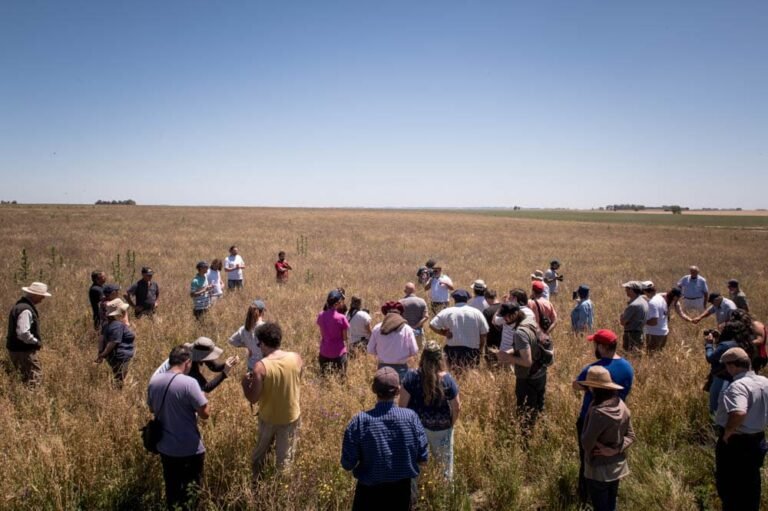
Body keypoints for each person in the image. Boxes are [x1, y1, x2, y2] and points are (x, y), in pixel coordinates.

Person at [341, 367, 428, 510]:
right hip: (403, 492)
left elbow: (347, 464)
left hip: (368, 494)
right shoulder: (411, 417)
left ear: (373, 390)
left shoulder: (359, 422)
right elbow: (423, 457)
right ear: (398, 390)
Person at [573, 329, 634, 504]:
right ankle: (609, 494)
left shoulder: (595, 369)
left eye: (596, 344)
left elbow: (575, 385)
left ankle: (586, 497)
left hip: (591, 420)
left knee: (588, 458)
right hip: (617, 420)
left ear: (602, 346)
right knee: (611, 455)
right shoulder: (628, 367)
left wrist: (588, 386)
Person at [147, 345, 210, 511]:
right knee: (192, 491)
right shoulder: (190, 383)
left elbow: (152, 409)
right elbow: (205, 414)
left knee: (172, 489)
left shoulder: (154, 381)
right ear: (188, 362)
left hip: (166, 447)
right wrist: (203, 397)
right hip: (190, 448)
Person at [242, 322, 303, 480]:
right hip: (291, 417)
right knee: (285, 462)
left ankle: (257, 484)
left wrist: (245, 384)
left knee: (259, 457)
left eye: (258, 344)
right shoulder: (296, 358)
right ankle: (282, 491)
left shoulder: (261, 367)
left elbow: (253, 398)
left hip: (268, 418)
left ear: (262, 343)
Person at [714, 347, 768, 511]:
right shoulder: (764, 382)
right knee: (751, 486)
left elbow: (738, 412)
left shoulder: (738, 386)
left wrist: (728, 433)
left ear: (732, 366)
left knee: (731, 490)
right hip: (757, 439)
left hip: (737, 442)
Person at [578, 366, 636, 511]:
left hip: (598, 470)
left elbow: (586, 443)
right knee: (611, 504)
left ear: (594, 388)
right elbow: (631, 436)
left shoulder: (598, 412)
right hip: (617, 467)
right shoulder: (621, 405)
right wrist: (615, 450)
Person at [400, 341, 460, 480]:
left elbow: (402, 406)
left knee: (415, 464)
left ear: (423, 357)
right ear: (441, 359)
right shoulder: (447, 380)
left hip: (416, 427)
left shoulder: (411, 377)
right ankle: (445, 495)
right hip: (442, 427)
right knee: (445, 466)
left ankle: (415, 494)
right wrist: (451, 423)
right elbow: (457, 406)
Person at [497, 303, 548, 427]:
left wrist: (507, 357)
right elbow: (530, 344)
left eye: (506, 317)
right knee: (539, 406)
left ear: (514, 314)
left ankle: (525, 438)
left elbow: (527, 361)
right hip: (541, 371)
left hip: (528, 377)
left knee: (525, 411)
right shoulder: (529, 320)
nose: (505, 320)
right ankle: (542, 430)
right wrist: (511, 351)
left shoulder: (519, 333)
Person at [154, 337, 239, 394]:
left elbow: (214, 367)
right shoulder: (187, 364)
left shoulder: (194, 351)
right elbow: (205, 388)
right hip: (161, 389)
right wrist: (224, 373)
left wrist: (228, 364)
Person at [429, 289, 489, 369]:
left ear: (454, 299)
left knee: (453, 374)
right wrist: (480, 349)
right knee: (470, 374)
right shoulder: (476, 313)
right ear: (467, 299)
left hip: (452, 350)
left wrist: (443, 333)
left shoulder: (447, 311)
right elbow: (484, 333)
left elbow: (432, 324)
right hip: (472, 350)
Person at [6, 282, 51, 386]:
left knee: (23, 378)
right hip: (24, 351)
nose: (43, 299)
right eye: (42, 296)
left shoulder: (19, 306)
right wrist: (35, 342)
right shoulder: (26, 310)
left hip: (15, 349)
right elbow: (23, 333)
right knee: (34, 378)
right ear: (35, 295)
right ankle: (31, 400)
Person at [367, 301, 419, 381]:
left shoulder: (377, 328)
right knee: (402, 392)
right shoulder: (407, 329)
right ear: (400, 314)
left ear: (386, 314)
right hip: (401, 368)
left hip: (383, 368)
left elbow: (370, 350)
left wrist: (382, 352)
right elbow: (414, 351)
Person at [95, 298, 135, 387]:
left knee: (118, 377)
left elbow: (101, 338)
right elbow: (113, 342)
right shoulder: (117, 325)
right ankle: (117, 395)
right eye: (123, 311)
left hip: (116, 356)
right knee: (119, 379)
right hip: (120, 357)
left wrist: (100, 352)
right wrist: (103, 354)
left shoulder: (108, 324)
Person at [316, 289, 350, 376]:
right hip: (338, 353)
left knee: (324, 377)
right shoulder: (342, 318)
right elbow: (345, 338)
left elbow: (323, 334)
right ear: (337, 303)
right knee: (341, 379)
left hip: (324, 351)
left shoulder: (321, 315)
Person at [229, 300, 267, 371]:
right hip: (264, 365)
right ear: (262, 312)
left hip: (251, 365)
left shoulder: (244, 328)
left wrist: (247, 345)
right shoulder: (265, 327)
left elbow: (231, 340)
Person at [619, 281, 648, 354]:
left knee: (630, 356)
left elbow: (623, 322)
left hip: (631, 335)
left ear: (632, 290)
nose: (625, 290)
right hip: (640, 333)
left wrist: (622, 316)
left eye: (627, 289)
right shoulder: (644, 301)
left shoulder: (634, 305)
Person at [642, 281, 669, 352]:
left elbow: (654, 322)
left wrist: (641, 322)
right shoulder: (661, 298)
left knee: (651, 356)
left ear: (644, 291)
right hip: (663, 332)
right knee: (658, 356)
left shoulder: (652, 303)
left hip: (654, 334)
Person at [400, 282, 429, 348]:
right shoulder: (422, 301)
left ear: (405, 291)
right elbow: (426, 317)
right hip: (418, 331)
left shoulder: (400, 302)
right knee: (420, 351)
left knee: (406, 353)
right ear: (414, 290)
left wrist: (408, 327)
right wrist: (415, 326)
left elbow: (398, 318)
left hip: (405, 332)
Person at [482, 289, 502, 364]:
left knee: (492, 364)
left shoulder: (487, 311)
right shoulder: (504, 307)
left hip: (491, 341)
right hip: (504, 341)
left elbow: (484, 329)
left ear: (487, 298)